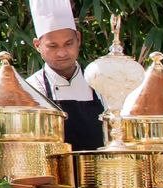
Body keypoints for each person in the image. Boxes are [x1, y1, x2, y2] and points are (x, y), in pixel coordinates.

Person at [26, 0, 104, 151]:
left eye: (68, 44)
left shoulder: (101, 84)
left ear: (78, 39)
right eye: (52, 46)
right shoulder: (31, 90)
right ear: (37, 46)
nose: (62, 53)